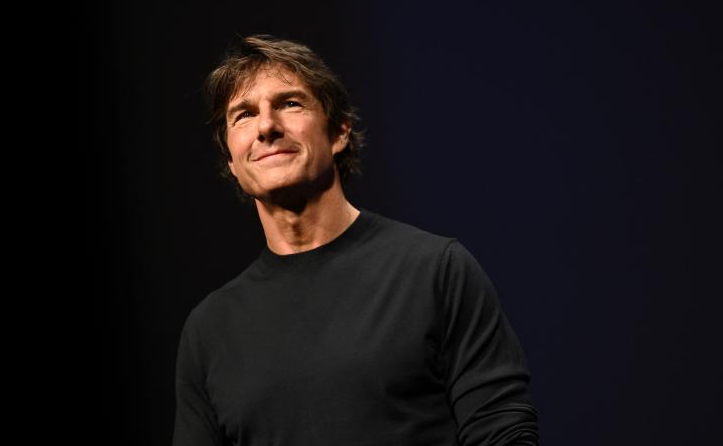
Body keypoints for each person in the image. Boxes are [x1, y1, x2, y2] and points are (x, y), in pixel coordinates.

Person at [172, 35, 538, 445]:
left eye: (289, 103)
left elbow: (502, 432)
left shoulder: (435, 271)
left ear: (339, 132)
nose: (266, 127)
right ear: (232, 163)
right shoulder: (210, 331)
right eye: (242, 114)